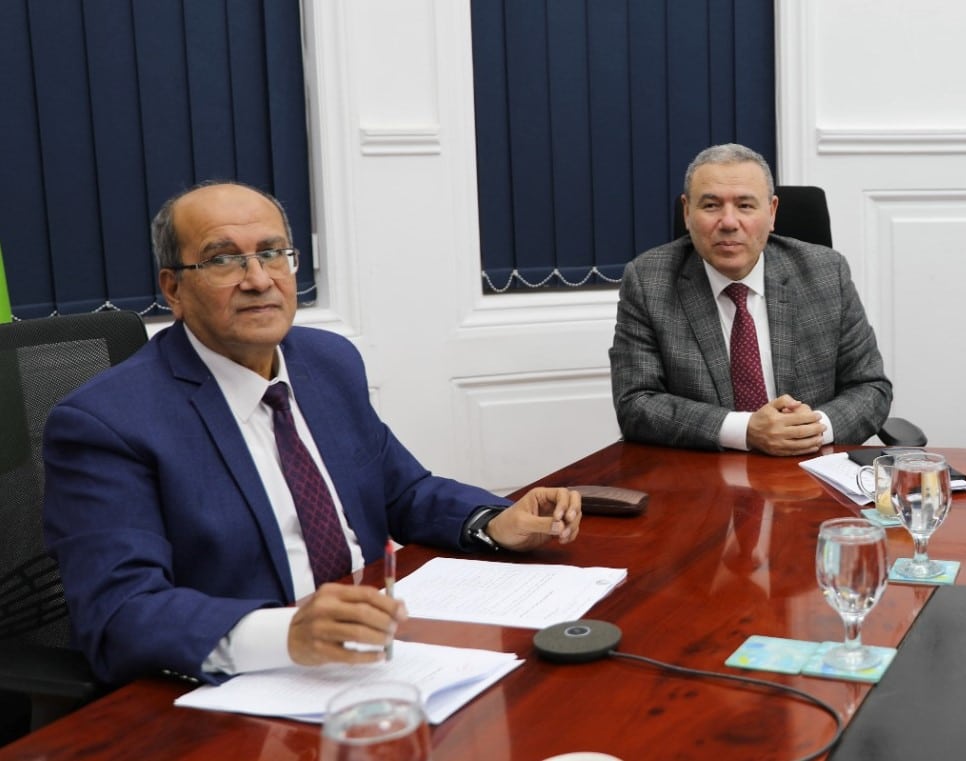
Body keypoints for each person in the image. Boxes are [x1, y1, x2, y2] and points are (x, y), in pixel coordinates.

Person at [42, 181, 582, 686]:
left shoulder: (327, 362)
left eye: (273, 253)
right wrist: (285, 633)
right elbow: (119, 612)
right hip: (245, 681)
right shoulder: (106, 423)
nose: (259, 280)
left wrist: (493, 522)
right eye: (224, 259)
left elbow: (401, 491)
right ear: (173, 288)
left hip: (381, 649)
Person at [609, 143, 892, 456]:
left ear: (771, 212)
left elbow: (870, 387)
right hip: (704, 472)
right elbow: (635, 403)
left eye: (745, 205)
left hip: (808, 467)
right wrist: (746, 430)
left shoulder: (826, 272)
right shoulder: (648, 281)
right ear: (687, 212)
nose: (729, 222)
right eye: (711, 206)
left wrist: (810, 429)